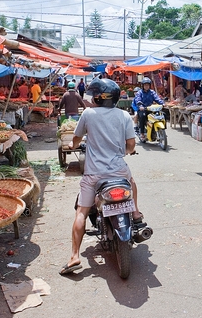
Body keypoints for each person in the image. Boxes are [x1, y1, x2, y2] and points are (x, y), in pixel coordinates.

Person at [61, 78, 143, 275]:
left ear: (98, 97)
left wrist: (73, 146)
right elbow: (131, 146)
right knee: (131, 182)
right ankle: (136, 213)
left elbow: (77, 138)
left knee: (81, 211)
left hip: (94, 175)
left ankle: (74, 257)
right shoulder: (124, 115)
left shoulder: (88, 114)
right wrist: (122, 152)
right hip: (119, 171)